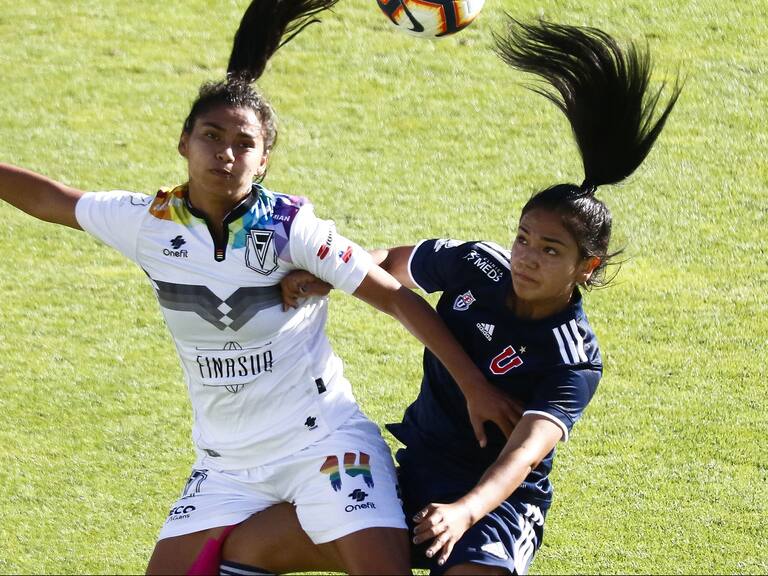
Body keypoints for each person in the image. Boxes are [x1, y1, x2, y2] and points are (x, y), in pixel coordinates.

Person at [0, 2, 521, 574]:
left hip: (326, 445)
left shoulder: (291, 228)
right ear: (183, 143)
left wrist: (472, 384)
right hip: (225, 465)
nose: (225, 152)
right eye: (210, 136)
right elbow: (53, 199)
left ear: (264, 160)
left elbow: (395, 296)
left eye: (244, 143)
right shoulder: (148, 221)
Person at [215, 17, 683, 576]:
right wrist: (323, 277)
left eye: (550, 251)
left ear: (588, 267)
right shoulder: (477, 264)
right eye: (524, 238)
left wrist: (463, 512)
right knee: (249, 547)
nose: (527, 257)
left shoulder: (573, 357)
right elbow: (393, 264)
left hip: (496, 505)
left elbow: (523, 454)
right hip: (410, 474)